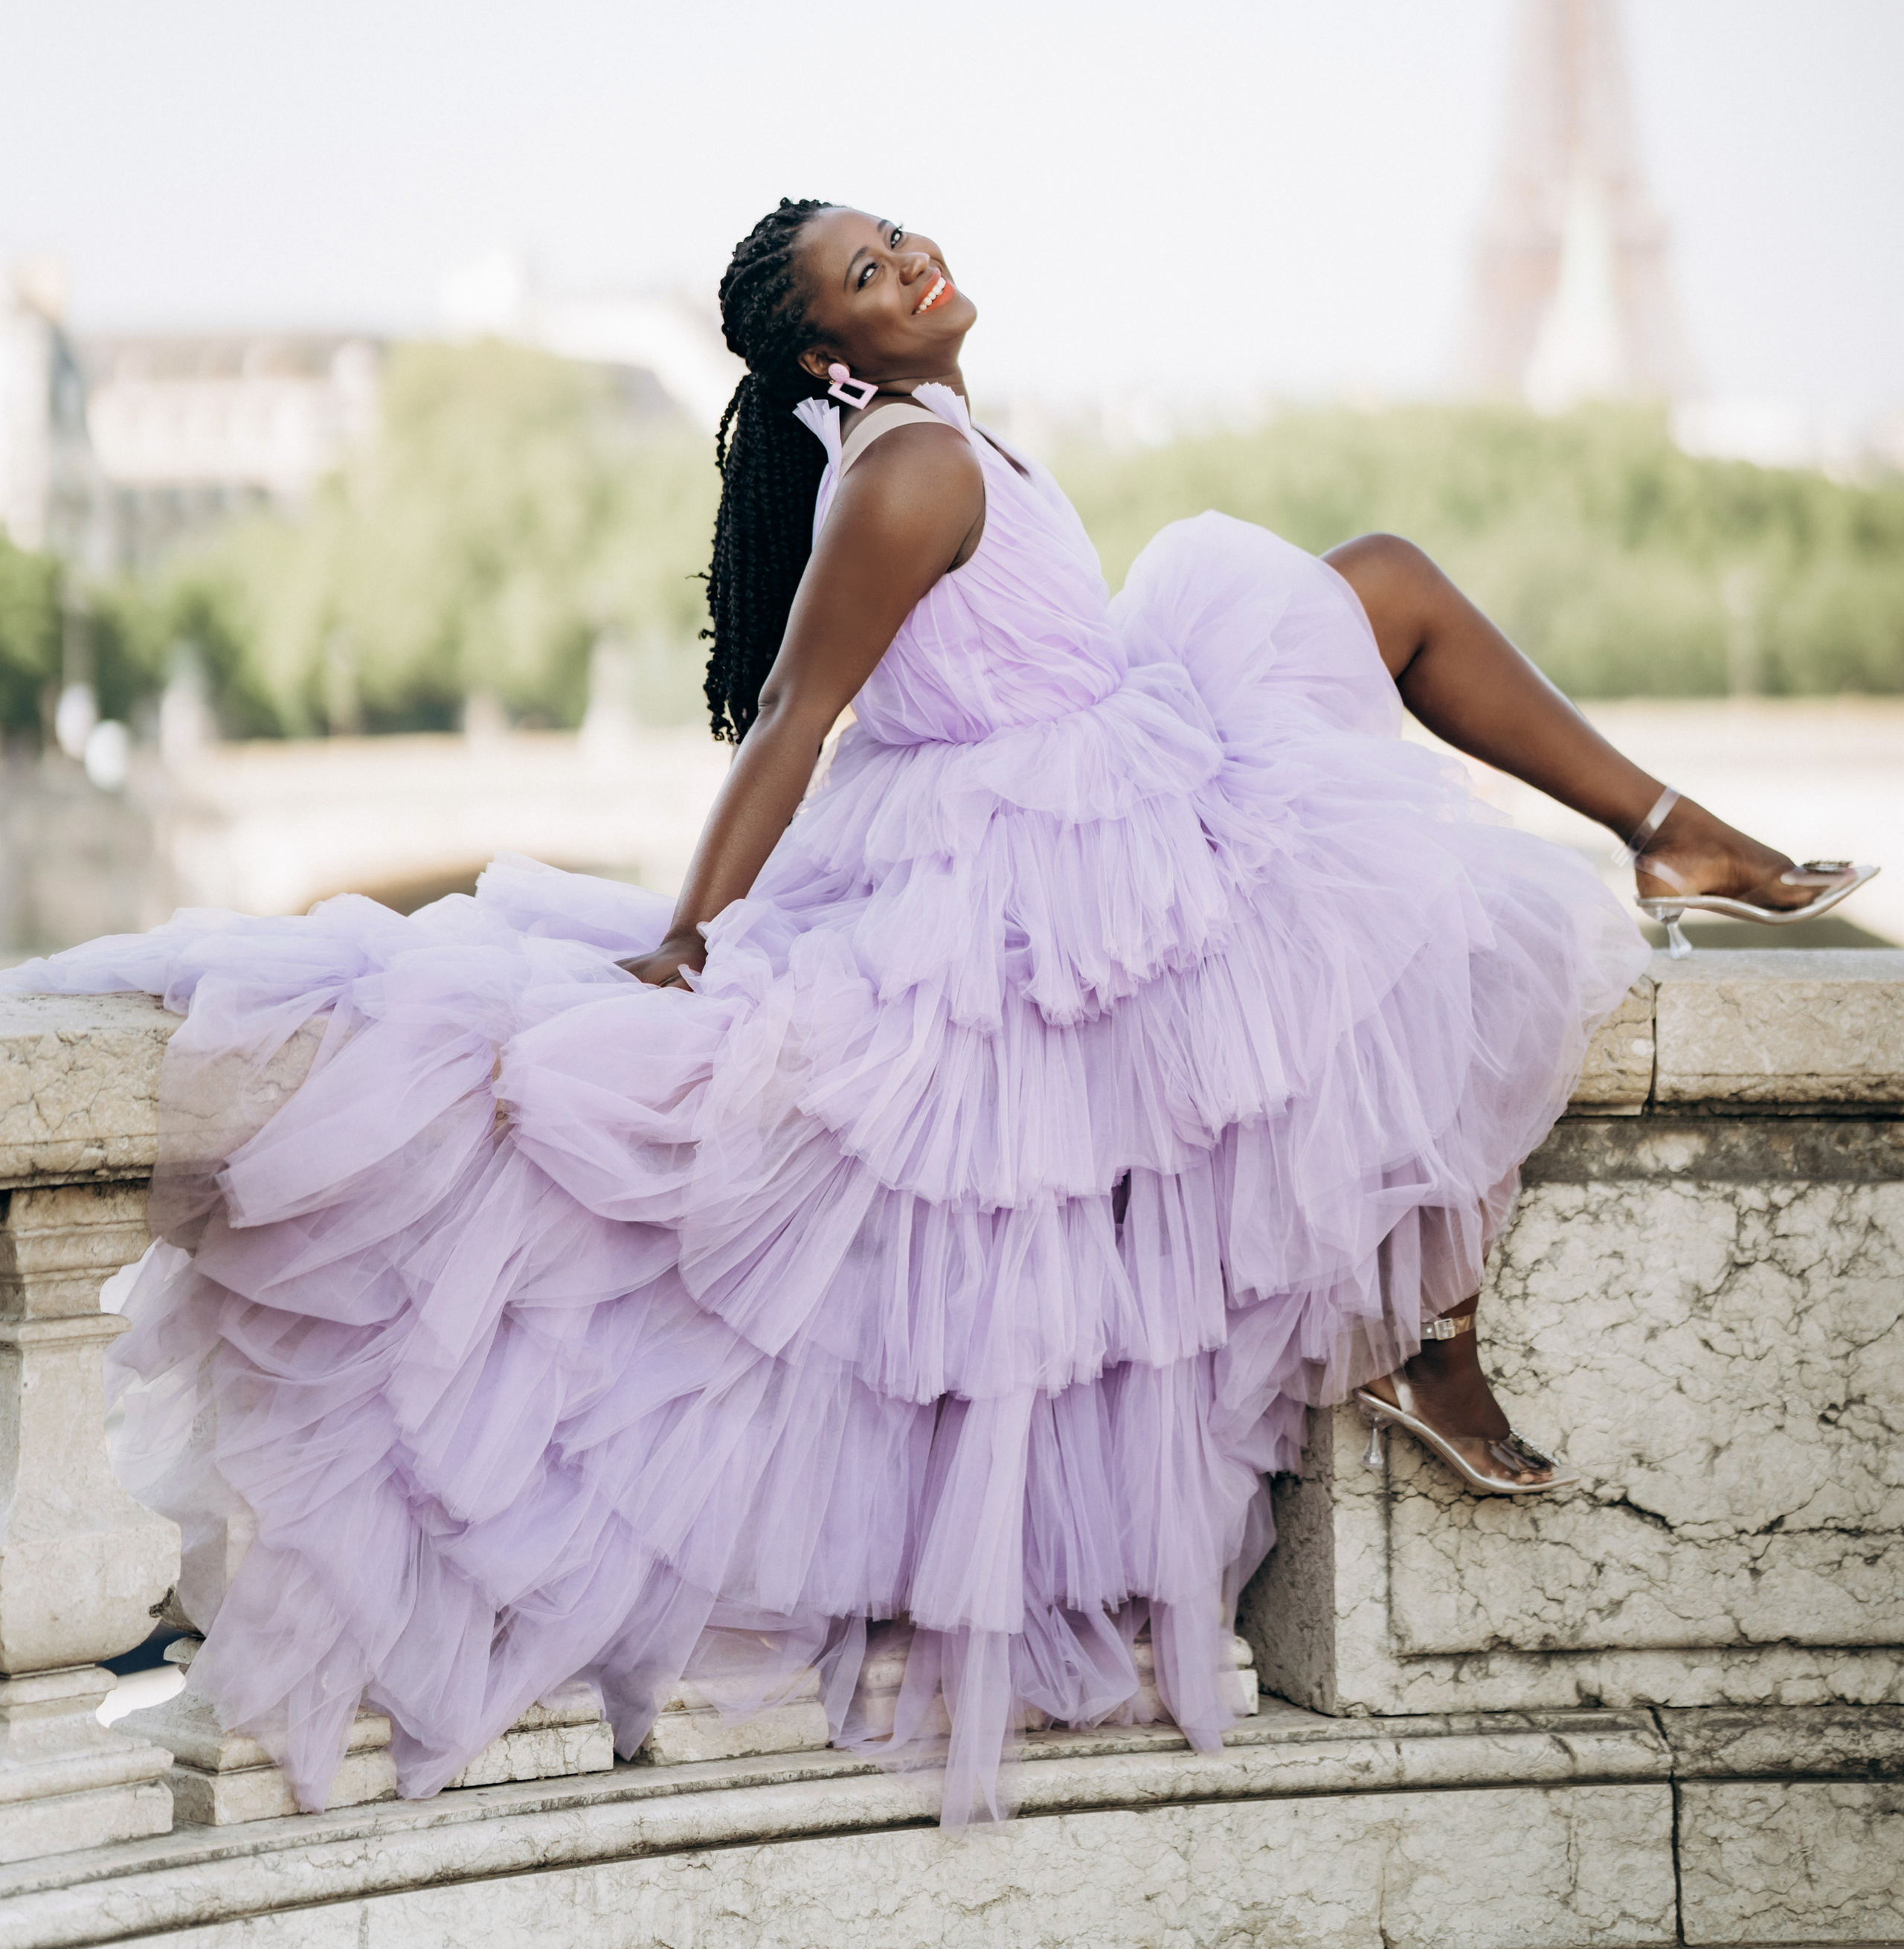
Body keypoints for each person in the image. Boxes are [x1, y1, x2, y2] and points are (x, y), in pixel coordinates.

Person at [8, 198, 1871, 1831]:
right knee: (1381, 869)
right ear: (826, 349)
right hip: (1046, 852)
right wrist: (682, 945)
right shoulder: (904, 468)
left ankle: (1635, 882)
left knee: (1369, 719)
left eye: (899, 237)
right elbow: (795, 728)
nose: (911, 263)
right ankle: (1456, 1237)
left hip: (1096, 790)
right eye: (865, 272)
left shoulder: (953, 437)